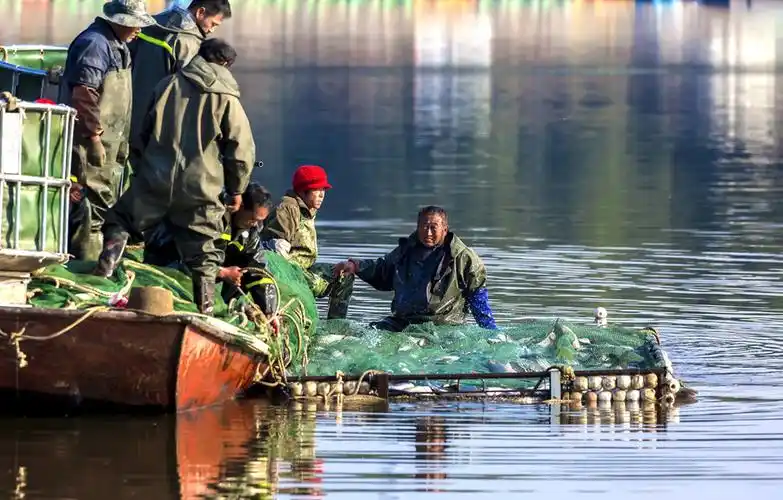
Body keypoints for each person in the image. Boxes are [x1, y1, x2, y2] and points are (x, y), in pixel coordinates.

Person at [93, 38, 256, 315]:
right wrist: (237, 189)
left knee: (120, 220)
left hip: (155, 180)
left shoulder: (166, 85)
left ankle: (105, 274)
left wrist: (145, 169)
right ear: (226, 64)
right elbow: (241, 151)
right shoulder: (227, 98)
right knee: (205, 254)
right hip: (201, 189)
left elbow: (141, 134)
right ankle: (204, 314)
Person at [58, 0, 156, 260]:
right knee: (90, 203)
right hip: (90, 143)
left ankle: (97, 260)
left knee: (106, 202)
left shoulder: (118, 45)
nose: (138, 30)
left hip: (113, 145)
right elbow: (83, 94)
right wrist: (93, 138)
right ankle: (83, 263)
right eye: (135, 24)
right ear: (118, 20)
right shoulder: (95, 44)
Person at [333, 206, 497, 331]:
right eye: (424, 226)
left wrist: (490, 333)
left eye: (434, 227)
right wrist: (354, 265)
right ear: (417, 227)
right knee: (366, 333)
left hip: (443, 326)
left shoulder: (464, 258)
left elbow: (478, 299)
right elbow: (382, 270)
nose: (428, 232)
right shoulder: (405, 251)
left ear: (445, 230)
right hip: (403, 323)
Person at [129, 0, 232, 158]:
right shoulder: (187, 42)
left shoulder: (149, 25)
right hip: (161, 125)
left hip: (131, 113)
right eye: (213, 24)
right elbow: (191, 90)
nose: (212, 30)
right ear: (200, 13)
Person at [259, 165, 354, 319]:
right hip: (288, 272)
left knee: (344, 273)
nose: (322, 195)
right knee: (318, 283)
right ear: (303, 191)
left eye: (324, 190)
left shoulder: (307, 209)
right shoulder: (288, 209)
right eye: (317, 190)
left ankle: (335, 326)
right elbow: (276, 254)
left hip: (304, 269)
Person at [143, 182, 273, 291]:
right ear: (241, 206)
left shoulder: (250, 231)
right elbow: (194, 253)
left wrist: (269, 309)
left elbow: (258, 267)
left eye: (259, 221)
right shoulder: (211, 214)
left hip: (205, 271)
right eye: (253, 218)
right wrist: (223, 272)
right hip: (170, 262)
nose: (255, 224)